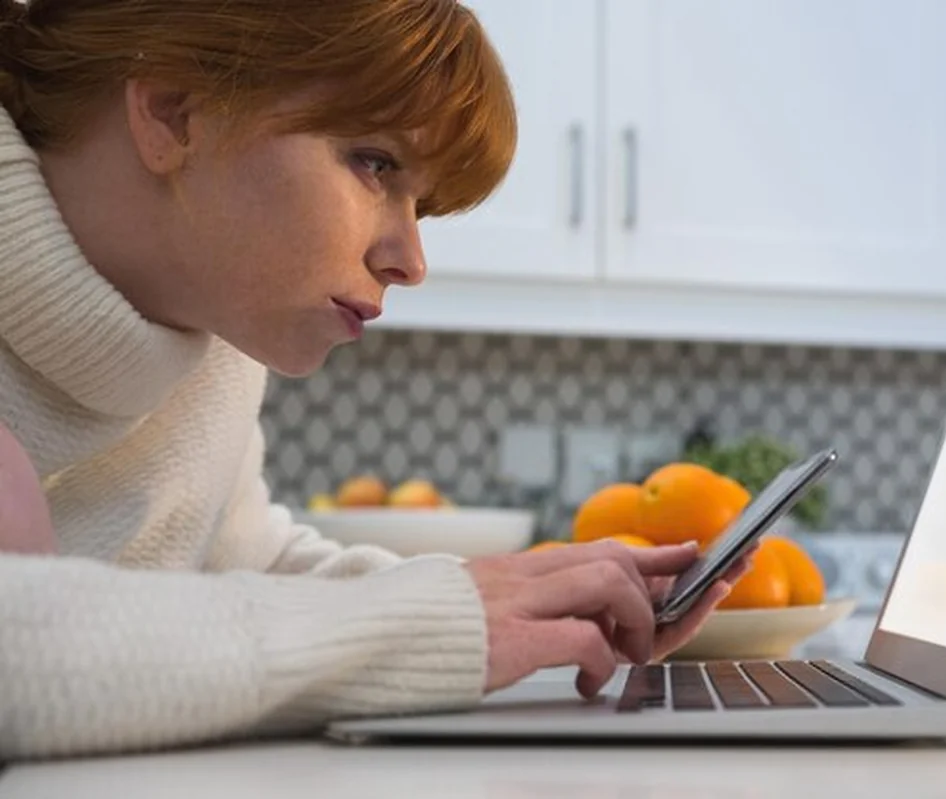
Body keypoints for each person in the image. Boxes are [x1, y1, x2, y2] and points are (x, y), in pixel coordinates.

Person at [0, 0, 749, 761]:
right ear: (173, 112)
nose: (410, 261)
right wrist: (431, 626)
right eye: (376, 162)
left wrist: (514, 601)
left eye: (421, 203)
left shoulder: (214, 326)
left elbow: (244, 569)